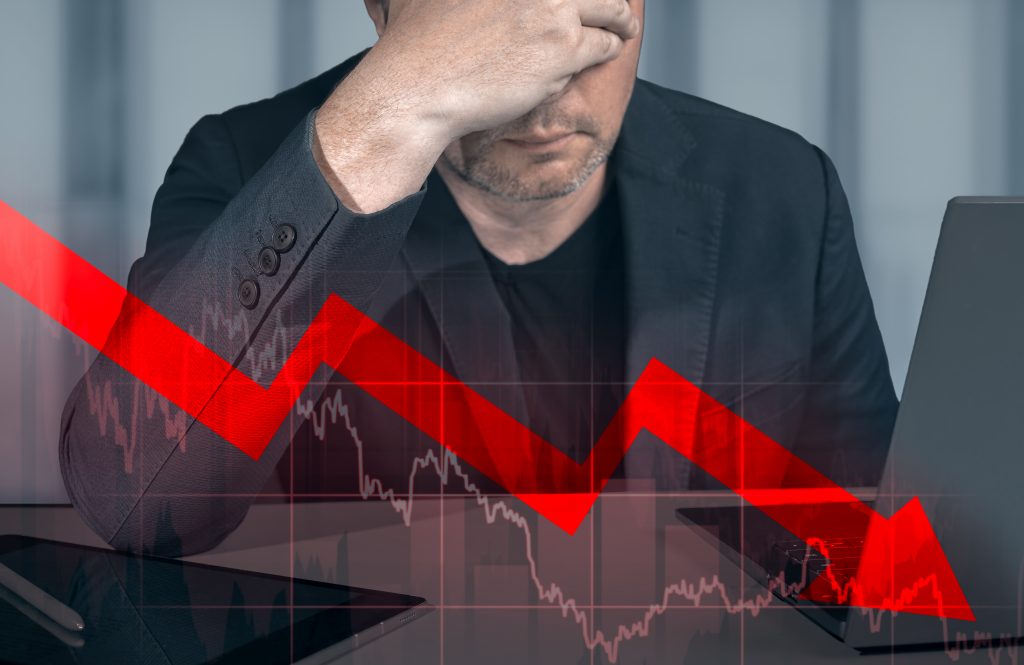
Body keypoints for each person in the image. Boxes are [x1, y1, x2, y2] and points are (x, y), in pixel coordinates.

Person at [60, 0, 898, 556]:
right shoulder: (245, 168)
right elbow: (139, 503)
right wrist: (389, 111)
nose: (540, 100)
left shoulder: (785, 190)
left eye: (585, 27)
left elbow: (880, 558)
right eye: (492, 36)